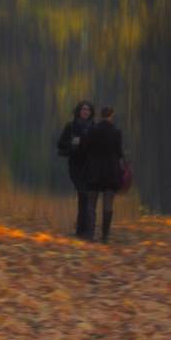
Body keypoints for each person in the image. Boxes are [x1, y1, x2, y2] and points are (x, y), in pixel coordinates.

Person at [81, 105, 124, 242]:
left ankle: (90, 234)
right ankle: (105, 236)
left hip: (94, 170)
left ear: (101, 115)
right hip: (111, 171)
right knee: (108, 203)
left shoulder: (93, 130)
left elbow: (86, 148)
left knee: (91, 204)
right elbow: (119, 153)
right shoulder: (116, 131)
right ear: (111, 115)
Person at [56, 100, 95, 237]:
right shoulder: (70, 126)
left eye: (88, 110)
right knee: (82, 194)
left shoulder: (94, 127)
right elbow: (60, 144)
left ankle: (83, 231)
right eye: (83, 109)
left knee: (85, 197)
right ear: (78, 111)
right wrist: (72, 142)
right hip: (76, 165)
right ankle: (82, 230)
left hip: (90, 166)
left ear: (91, 112)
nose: (85, 112)